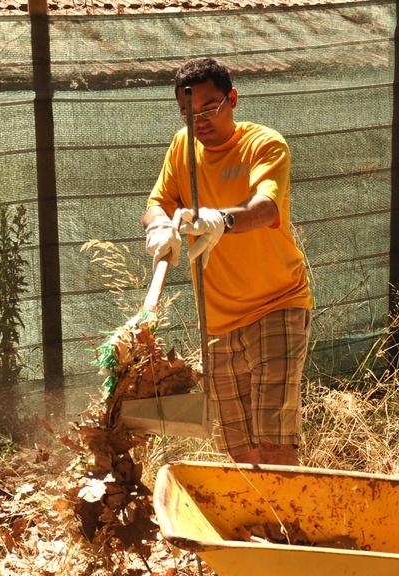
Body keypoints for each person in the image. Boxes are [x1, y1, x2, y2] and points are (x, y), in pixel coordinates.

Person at [143, 57, 313, 466]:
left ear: (232, 99)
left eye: (208, 108)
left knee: (274, 443)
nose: (198, 120)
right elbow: (157, 202)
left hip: (277, 303)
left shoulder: (264, 144)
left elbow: (268, 207)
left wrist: (224, 219)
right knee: (238, 451)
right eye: (188, 112)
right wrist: (160, 226)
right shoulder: (182, 147)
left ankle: (287, 529)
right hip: (217, 321)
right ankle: (252, 527)